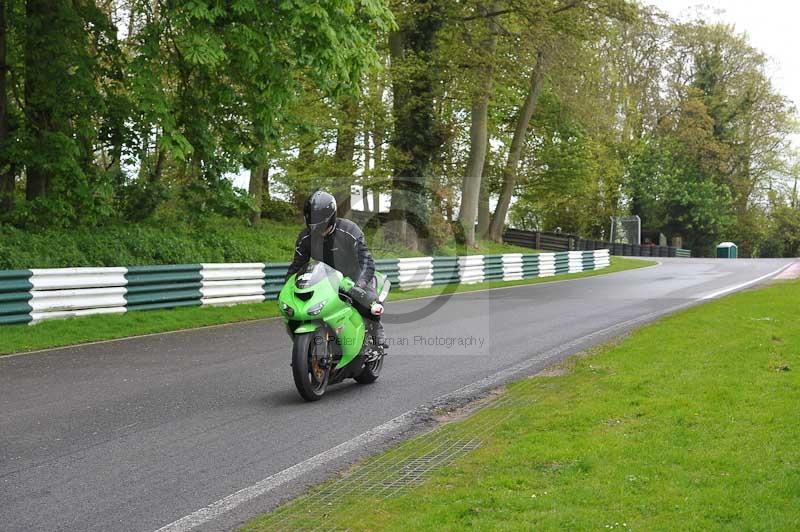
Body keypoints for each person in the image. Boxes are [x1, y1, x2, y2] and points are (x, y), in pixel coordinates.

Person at [285, 190, 387, 347]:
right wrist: (286, 287)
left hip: (353, 275)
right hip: (325, 279)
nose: (317, 230)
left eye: (320, 223)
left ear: (330, 218)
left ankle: (376, 327)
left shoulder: (350, 230)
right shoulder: (305, 238)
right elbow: (297, 266)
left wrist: (359, 285)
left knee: (369, 304)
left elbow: (367, 262)